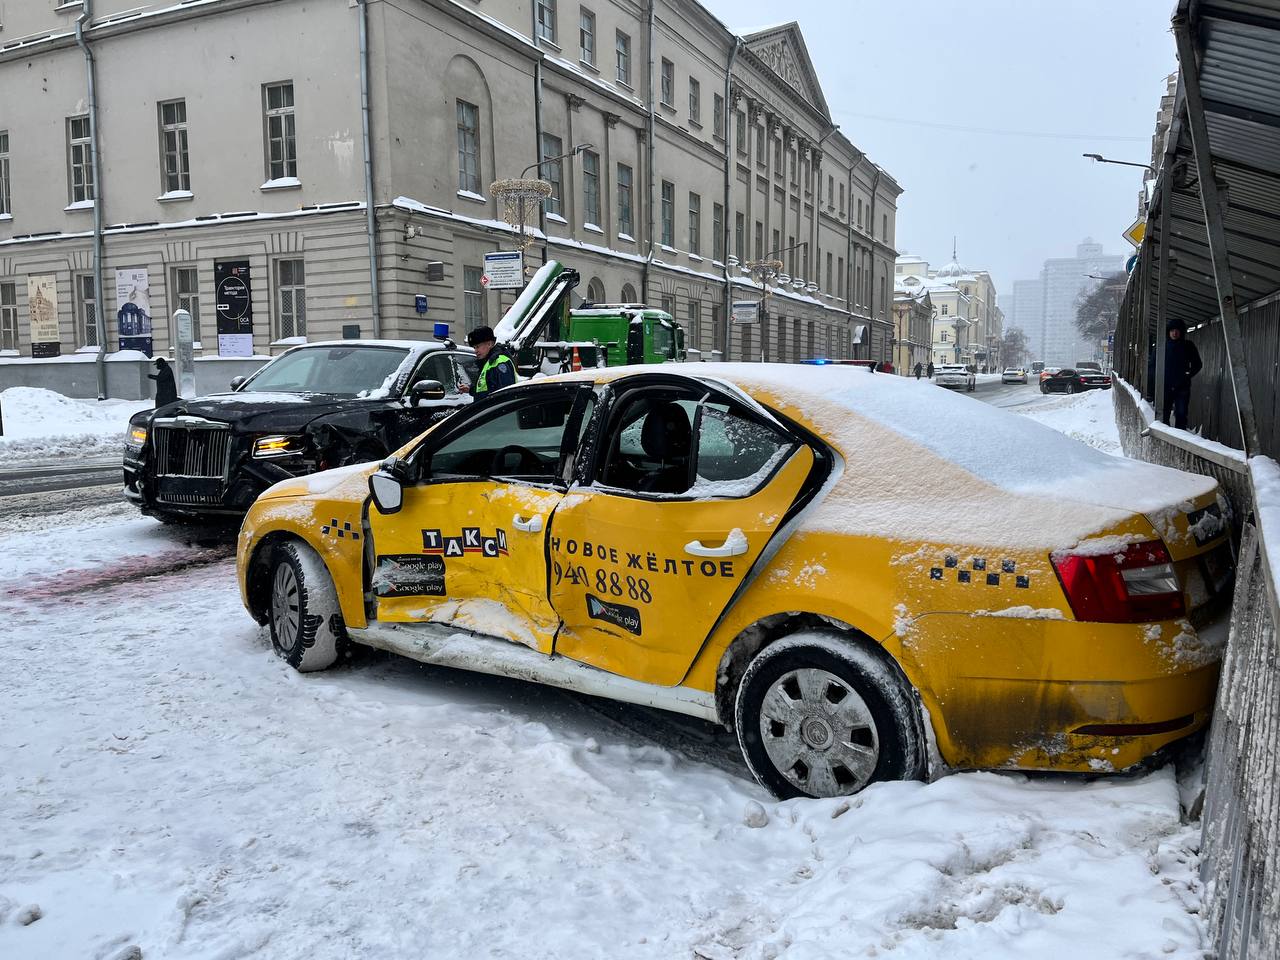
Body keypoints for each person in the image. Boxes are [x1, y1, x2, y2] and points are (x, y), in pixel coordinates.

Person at [1162, 317, 1202, 430]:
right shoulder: (1162, 346)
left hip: (1182, 387)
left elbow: (1198, 364)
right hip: (1165, 386)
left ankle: (1180, 439)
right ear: (1168, 331)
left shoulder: (1188, 346)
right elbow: (1153, 366)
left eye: (1177, 330)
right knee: (1163, 414)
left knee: (1181, 414)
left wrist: (1187, 375)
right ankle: (1164, 437)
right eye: (1172, 330)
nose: (1174, 333)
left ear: (1181, 332)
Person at [463, 325, 518, 400]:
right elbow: (487, 390)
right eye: (474, 347)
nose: (476, 351)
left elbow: (504, 394)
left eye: (478, 346)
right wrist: (471, 390)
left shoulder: (499, 362)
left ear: (489, 344)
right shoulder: (487, 362)